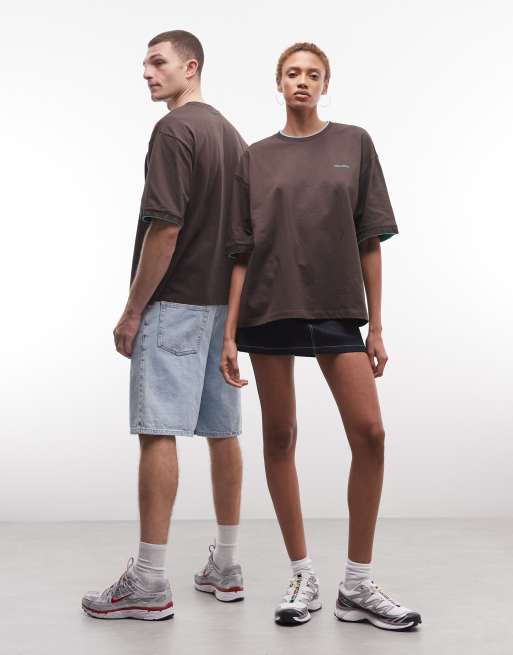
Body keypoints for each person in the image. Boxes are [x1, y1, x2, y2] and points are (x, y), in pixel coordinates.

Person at [221, 42, 422, 631]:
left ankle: (356, 584)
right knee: (280, 436)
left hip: (337, 309)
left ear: (326, 84)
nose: (302, 82)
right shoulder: (254, 157)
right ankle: (302, 575)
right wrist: (229, 334)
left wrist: (376, 325)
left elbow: (370, 239)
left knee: (371, 434)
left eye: (313, 74)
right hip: (268, 308)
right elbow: (240, 252)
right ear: (279, 83)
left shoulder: (354, 144)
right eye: (292, 73)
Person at [82, 30, 247, 620]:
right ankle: (227, 566)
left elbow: (167, 227)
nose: (148, 74)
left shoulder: (174, 130)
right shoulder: (232, 136)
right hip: (220, 309)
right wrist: (233, 323)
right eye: (145, 64)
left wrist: (133, 311)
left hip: (174, 302)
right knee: (223, 434)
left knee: (158, 431)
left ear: (190, 66)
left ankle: (149, 581)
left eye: (158, 62)